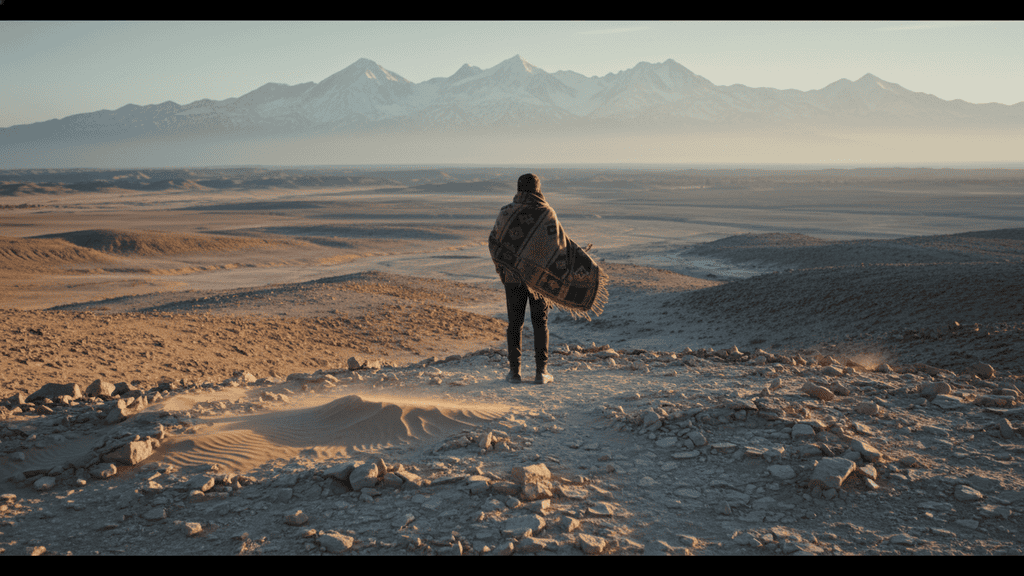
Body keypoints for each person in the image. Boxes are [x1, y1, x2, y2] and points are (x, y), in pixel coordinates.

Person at [488, 173, 607, 384]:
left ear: (518, 189)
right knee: (539, 322)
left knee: (514, 323)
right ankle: (541, 373)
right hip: (540, 282)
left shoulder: (506, 212)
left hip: (513, 279)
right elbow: (560, 247)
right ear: (538, 189)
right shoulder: (546, 213)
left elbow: (494, 243)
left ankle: (514, 373)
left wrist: (505, 268)